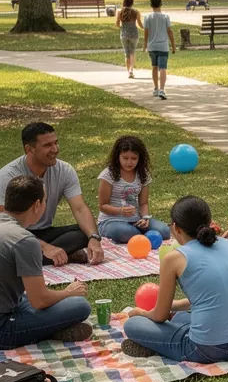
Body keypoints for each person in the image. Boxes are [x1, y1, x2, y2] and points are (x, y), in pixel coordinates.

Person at [121, 196, 228, 362]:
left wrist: (141, 313)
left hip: (207, 349)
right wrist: (175, 306)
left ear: (176, 228)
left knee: (133, 324)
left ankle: (158, 347)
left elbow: (159, 316)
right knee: (180, 317)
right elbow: (215, 295)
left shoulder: (173, 258)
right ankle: (167, 339)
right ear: (209, 222)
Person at [0, 176, 92, 348]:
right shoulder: (24, 241)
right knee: (80, 305)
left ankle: (47, 326)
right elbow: (39, 300)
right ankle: (49, 331)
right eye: (45, 201)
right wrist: (67, 292)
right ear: (36, 205)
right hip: (4, 328)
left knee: (28, 299)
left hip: (12, 303)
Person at [0, 122, 104, 266]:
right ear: (29, 149)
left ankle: (37, 256)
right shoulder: (8, 176)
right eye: (47, 145)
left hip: (45, 232)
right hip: (15, 234)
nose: (55, 149)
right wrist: (45, 247)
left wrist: (94, 238)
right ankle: (40, 257)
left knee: (84, 232)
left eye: (56, 143)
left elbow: (80, 208)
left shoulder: (65, 170)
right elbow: (4, 225)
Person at [96, 135, 171, 245]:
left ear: (140, 158)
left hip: (135, 220)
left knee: (165, 231)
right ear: (118, 157)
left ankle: (140, 236)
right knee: (127, 232)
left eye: (134, 159)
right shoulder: (108, 174)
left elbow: (143, 203)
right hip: (110, 221)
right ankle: (141, 237)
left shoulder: (143, 174)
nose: (129, 162)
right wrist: (120, 211)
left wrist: (145, 218)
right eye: (125, 158)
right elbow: (103, 206)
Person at [143, 0, 175, 100]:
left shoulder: (147, 17)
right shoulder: (165, 17)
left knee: (154, 67)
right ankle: (162, 89)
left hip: (152, 46)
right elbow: (169, 31)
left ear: (151, 5)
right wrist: (173, 45)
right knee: (163, 68)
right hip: (163, 46)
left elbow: (146, 32)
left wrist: (145, 45)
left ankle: (156, 88)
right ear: (161, 4)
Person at [116, 0, 141, 79]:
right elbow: (140, 24)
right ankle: (131, 70)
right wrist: (145, 28)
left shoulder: (120, 12)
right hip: (134, 34)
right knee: (132, 52)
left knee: (126, 53)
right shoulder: (136, 11)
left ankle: (128, 72)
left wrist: (123, 28)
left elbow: (117, 24)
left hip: (124, 34)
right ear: (132, 2)